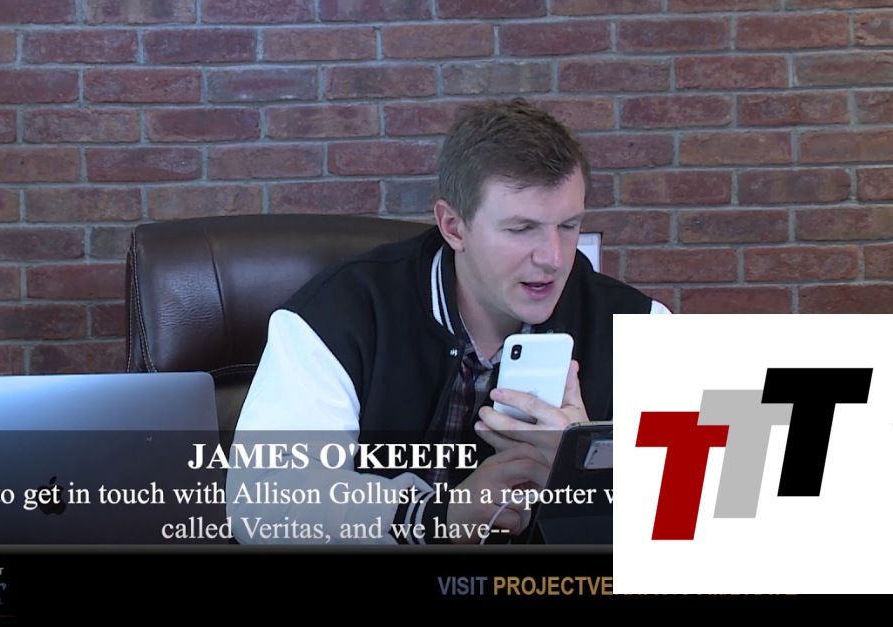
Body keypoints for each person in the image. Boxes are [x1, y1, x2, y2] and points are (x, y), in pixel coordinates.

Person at [226, 97, 670, 545]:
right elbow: (261, 503)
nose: (553, 258)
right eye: (522, 229)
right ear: (454, 227)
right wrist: (439, 515)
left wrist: (588, 470)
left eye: (569, 226)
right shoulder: (338, 314)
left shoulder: (645, 325)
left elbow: (703, 518)